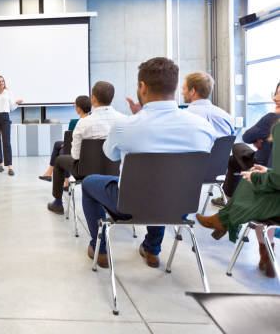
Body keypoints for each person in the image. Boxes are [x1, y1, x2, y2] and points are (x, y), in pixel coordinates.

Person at [82, 57, 215, 269]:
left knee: (90, 183)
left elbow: (110, 155)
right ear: (175, 86)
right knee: (166, 186)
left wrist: (138, 117)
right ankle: (152, 249)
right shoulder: (204, 128)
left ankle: (101, 249)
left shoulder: (124, 126)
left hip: (128, 205)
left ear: (142, 87)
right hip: (180, 207)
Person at [196, 116, 280, 278]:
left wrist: (260, 176)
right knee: (239, 163)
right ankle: (267, 255)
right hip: (270, 182)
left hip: (271, 197)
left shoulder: (273, 120)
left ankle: (225, 214)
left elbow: (248, 136)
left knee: (244, 164)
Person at [47, 83, 126, 215]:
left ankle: (58, 203)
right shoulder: (124, 120)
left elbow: (76, 155)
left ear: (93, 99)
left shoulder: (83, 123)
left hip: (86, 172)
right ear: (112, 98)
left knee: (60, 160)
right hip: (116, 170)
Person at [213, 82, 280, 207]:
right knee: (233, 161)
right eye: (276, 93)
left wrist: (258, 138)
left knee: (237, 146)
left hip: (262, 170)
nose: (274, 98)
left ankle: (228, 201)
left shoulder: (271, 118)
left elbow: (247, 136)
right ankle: (229, 202)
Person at [39, 95, 91, 183]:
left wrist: (67, 145)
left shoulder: (78, 123)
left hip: (79, 155)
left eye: (75, 105)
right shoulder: (94, 121)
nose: (74, 106)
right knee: (58, 144)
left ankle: (64, 182)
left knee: (62, 152)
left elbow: (75, 146)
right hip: (90, 152)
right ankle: (50, 174)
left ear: (79, 108)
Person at [181, 72, 234, 138]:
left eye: (184, 89)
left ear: (192, 91)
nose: (182, 93)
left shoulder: (183, 117)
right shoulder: (227, 118)